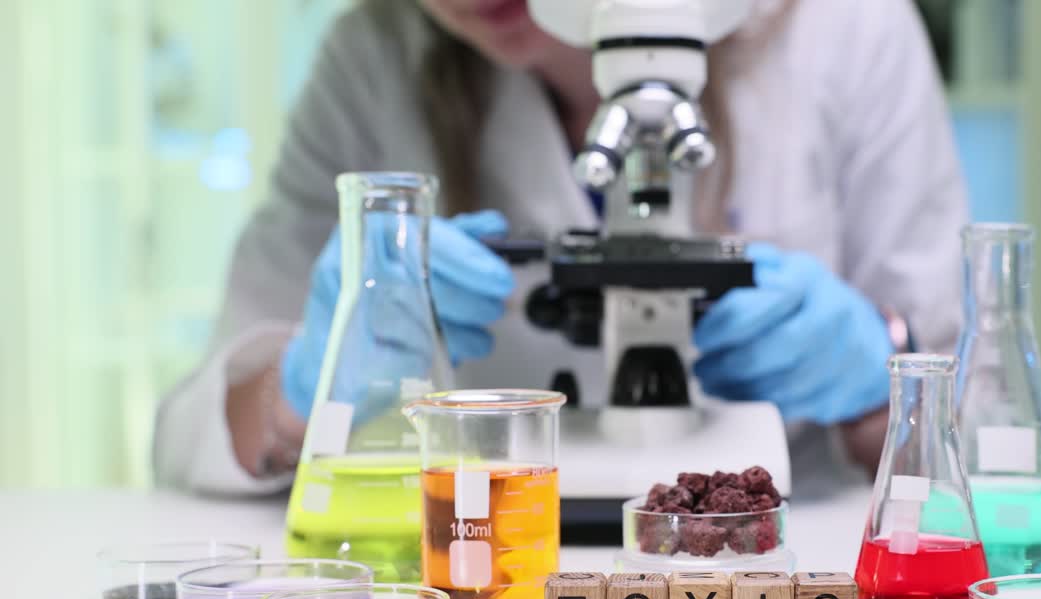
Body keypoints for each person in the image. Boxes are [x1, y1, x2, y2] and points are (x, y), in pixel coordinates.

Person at [153, 0, 967, 495]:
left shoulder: (847, 29)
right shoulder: (375, 61)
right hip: (485, 568)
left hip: (788, 567)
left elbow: (982, 445)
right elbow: (194, 433)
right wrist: (318, 377)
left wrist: (874, 369)